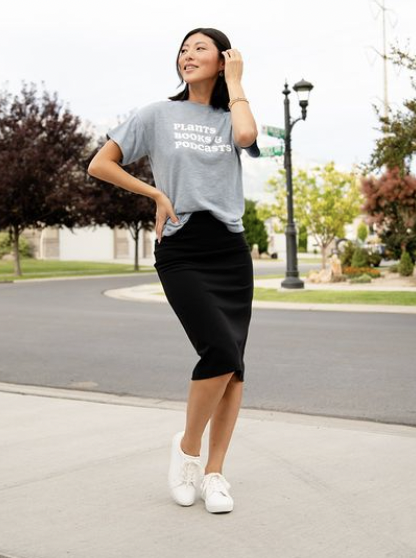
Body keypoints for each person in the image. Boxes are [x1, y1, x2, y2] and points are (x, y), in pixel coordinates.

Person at [88, 27, 259, 514]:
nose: (187, 55)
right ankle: (187, 451)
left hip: (229, 248)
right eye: (183, 49)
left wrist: (238, 80)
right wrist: (156, 193)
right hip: (182, 247)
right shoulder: (157, 114)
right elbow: (100, 164)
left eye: (199, 48)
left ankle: (215, 475)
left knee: (234, 370)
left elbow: (247, 136)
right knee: (219, 351)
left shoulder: (232, 115)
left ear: (223, 59)